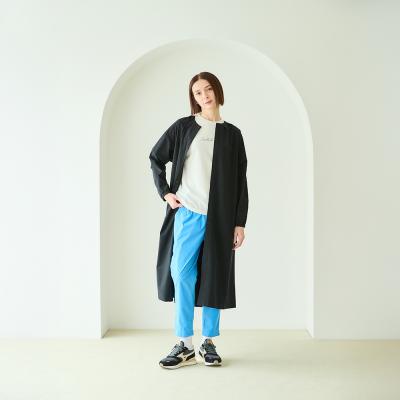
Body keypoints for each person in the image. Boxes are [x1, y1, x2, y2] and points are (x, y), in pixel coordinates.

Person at [149, 72, 248, 369]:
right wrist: (166, 193)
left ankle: (208, 342)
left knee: (215, 276)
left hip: (221, 218)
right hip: (188, 213)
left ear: (217, 91)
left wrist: (239, 222)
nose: (204, 96)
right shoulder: (183, 127)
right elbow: (156, 158)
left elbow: (240, 181)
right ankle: (185, 344)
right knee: (181, 274)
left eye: (208, 89)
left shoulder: (232, 134)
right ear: (193, 98)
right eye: (197, 92)